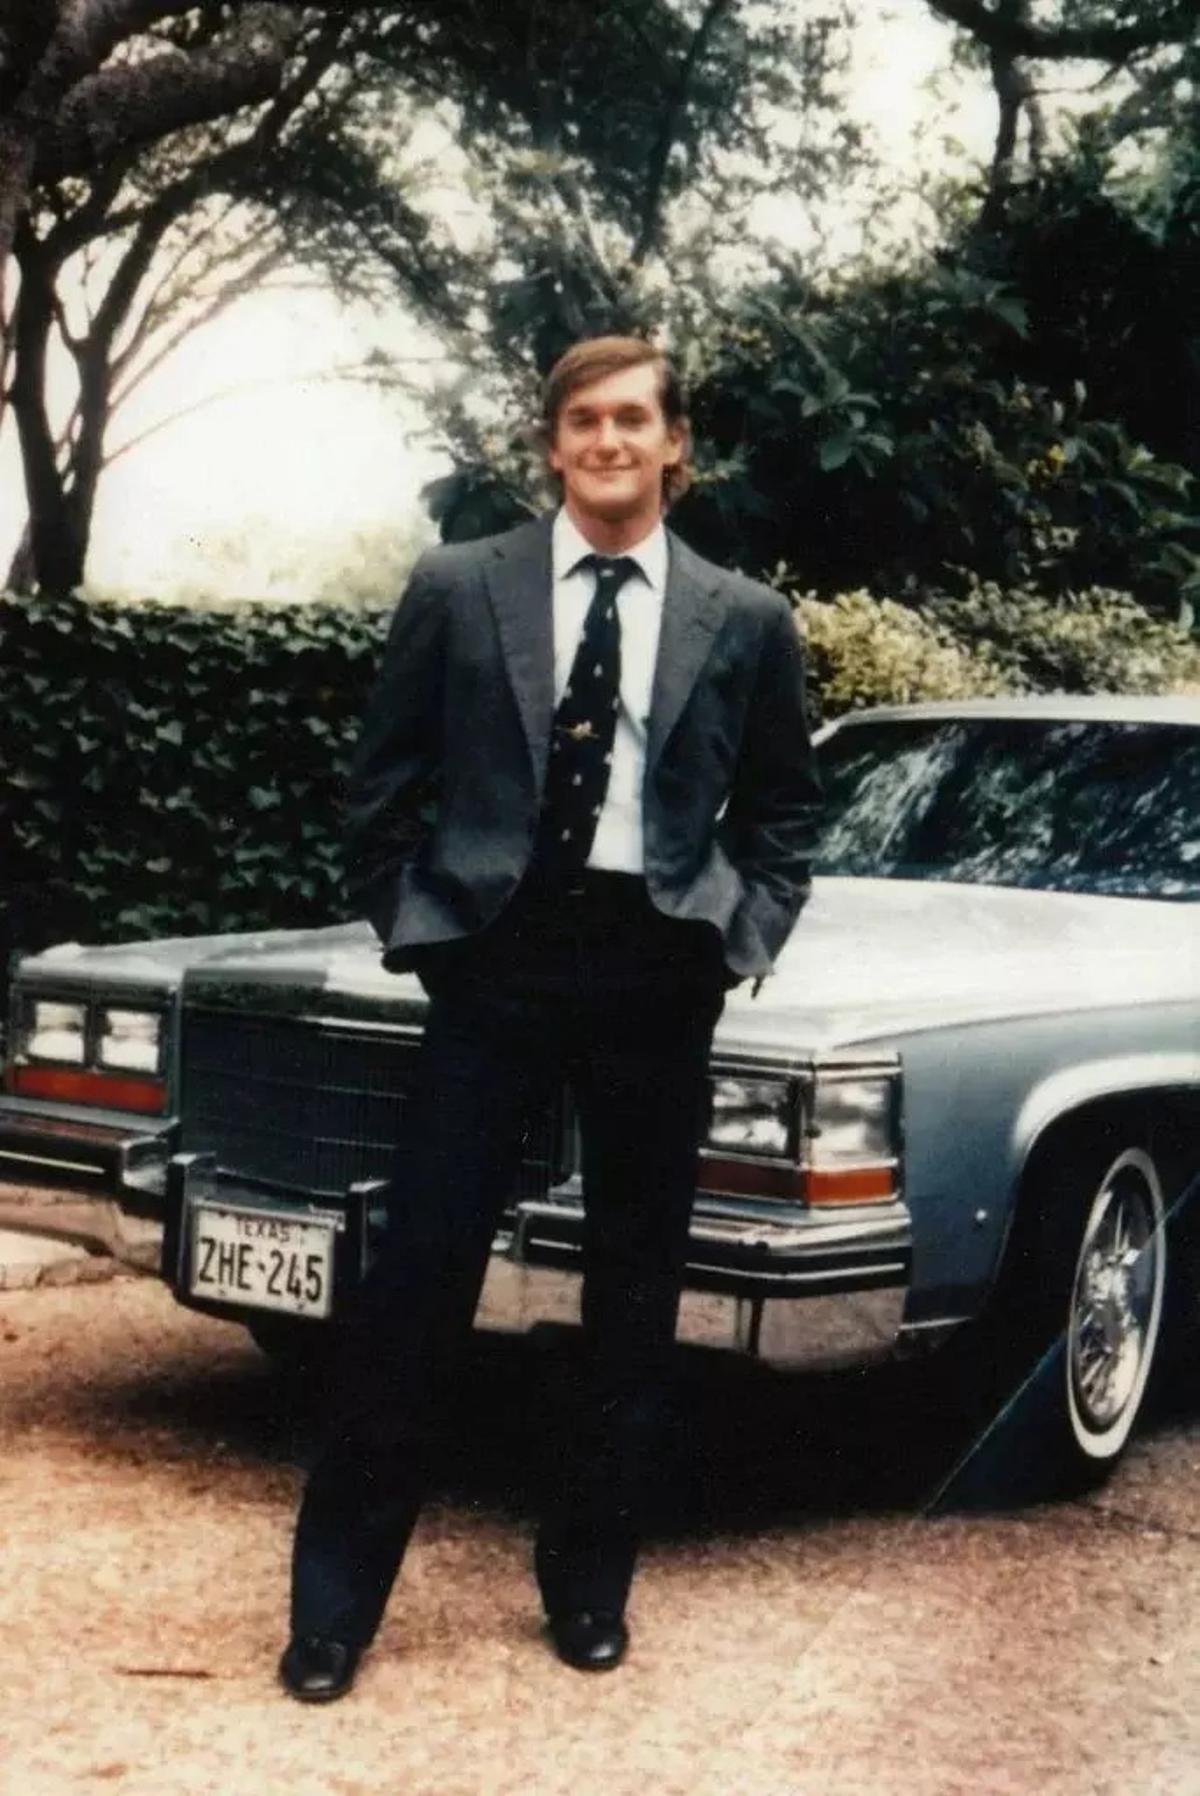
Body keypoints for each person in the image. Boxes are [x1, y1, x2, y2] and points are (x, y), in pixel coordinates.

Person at [279, 335, 823, 1700]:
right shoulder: (462, 589)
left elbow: (785, 817)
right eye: (582, 421)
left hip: (655, 970)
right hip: (496, 964)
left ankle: (589, 1585)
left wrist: (731, 942)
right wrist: (429, 935)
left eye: (633, 418)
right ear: (552, 446)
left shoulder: (741, 617)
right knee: (418, 1287)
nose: (608, 442)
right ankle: (334, 1611)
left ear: (674, 444)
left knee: (632, 1297)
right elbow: (378, 790)